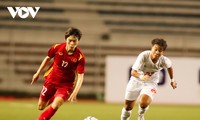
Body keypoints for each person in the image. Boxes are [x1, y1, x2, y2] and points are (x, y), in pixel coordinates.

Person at [31, 27, 86, 120]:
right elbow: (47, 58)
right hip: (51, 80)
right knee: (40, 107)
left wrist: (75, 92)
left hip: (66, 85)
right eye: (70, 40)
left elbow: (80, 76)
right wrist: (37, 73)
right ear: (66, 39)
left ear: (78, 41)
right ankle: (53, 96)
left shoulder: (80, 57)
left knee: (56, 104)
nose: (72, 43)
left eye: (75, 41)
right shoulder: (57, 47)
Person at [120, 38, 177, 120]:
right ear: (152, 48)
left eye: (160, 51)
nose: (157, 52)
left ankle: (141, 114)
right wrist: (142, 77)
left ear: (163, 52)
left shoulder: (164, 60)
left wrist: (172, 80)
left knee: (144, 103)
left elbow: (170, 67)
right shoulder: (143, 55)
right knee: (128, 107)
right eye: (155, 49)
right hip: (136, 81)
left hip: (151, 83)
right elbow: (133, 72)